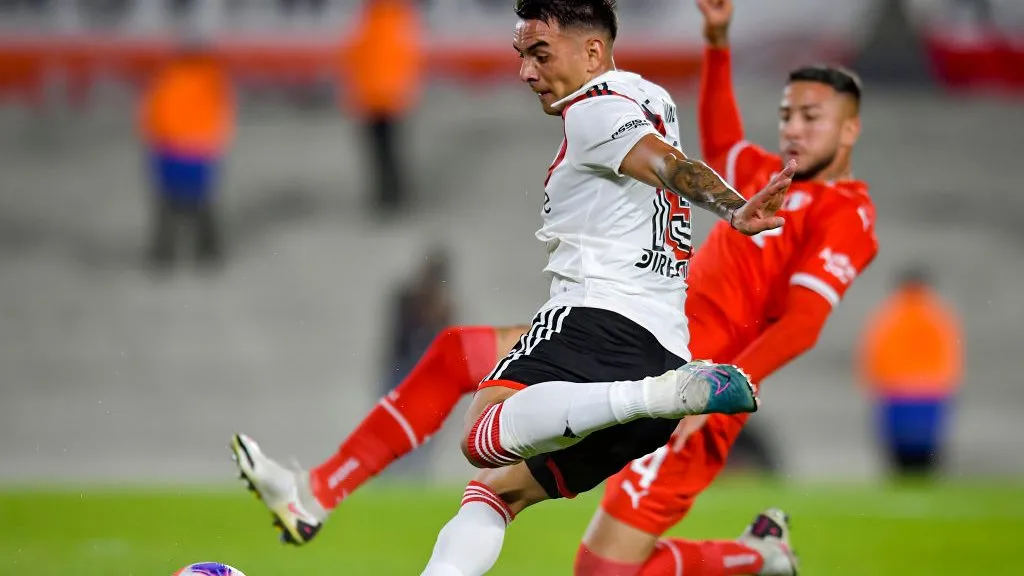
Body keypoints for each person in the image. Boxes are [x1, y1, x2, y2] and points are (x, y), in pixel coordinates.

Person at [232, 0, 798, 570]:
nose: (527, 71)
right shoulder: (652, 98)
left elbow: (664, 165)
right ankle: (321, 493)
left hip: (601, 322)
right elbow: (668, 160)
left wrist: (732, 208)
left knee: (482, 435)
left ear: (593, 52)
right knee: (496, 490)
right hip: (662, 344)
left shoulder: (594, 112)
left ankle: (655, 394)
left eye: (541, 53)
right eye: (521, 55)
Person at [139, 38, 234, 270]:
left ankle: (163, 254)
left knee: (167, 205)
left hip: (169, 150)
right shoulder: (213, 80)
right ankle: (208, 253)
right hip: (200, 151)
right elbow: (222, 115)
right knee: (202, 205)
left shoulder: (167, 79)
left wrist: (155, 143)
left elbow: (151, 115)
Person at [858, 265, 962, 476]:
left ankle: (903, 476)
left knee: (899, 445)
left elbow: (875, 351)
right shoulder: (938, 314)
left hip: (897, 390)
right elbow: (950, 352)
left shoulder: (890, 314)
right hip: (930, 390)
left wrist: (874, 381)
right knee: (927, 444)